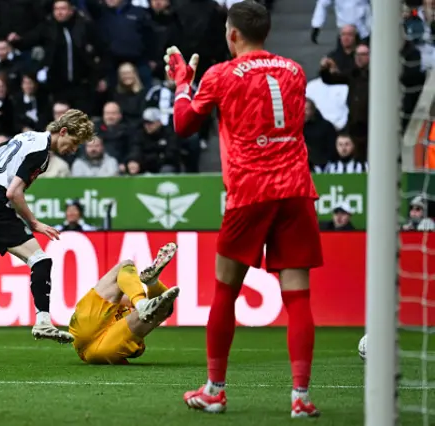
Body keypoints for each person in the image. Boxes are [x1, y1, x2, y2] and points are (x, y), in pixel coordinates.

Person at [165, 1, 322, 417]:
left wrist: (183, 83)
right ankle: (301, 398)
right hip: (296, 189)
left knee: (225, 291)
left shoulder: (220, 75)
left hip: (250, 192)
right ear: (266, 32)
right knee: (298, 297)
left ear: (232, 34)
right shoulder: (295, 71)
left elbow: (183, 125)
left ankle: (215, 389)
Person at [0, 109, 96, 361]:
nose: (73, 149)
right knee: (41, 260)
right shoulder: (41, 154)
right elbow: (13, 193)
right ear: (62, 131)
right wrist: (34, 222)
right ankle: (43, 320)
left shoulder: (26, 137)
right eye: (73, 143)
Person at [69, 242, 180, 365]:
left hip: (84, 329)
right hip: (105, 350)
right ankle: (151, 287)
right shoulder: (134, 308)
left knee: (126, 265)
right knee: (160, 309)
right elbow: (163, 310)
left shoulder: (129, 298)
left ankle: (146, 295)